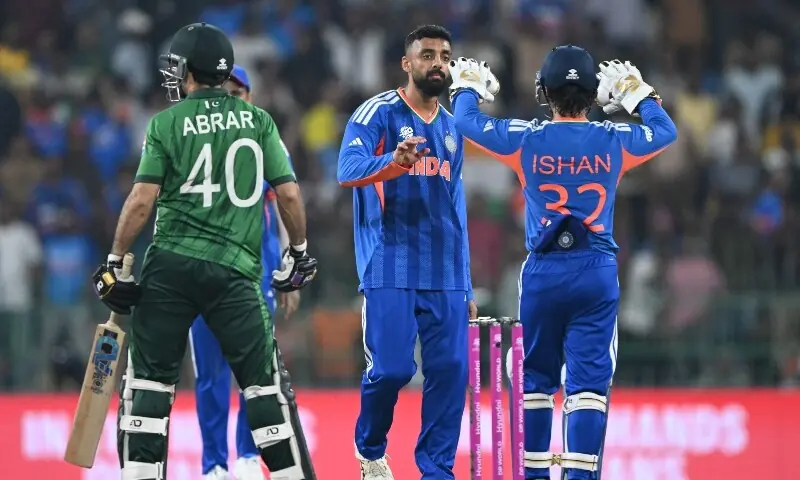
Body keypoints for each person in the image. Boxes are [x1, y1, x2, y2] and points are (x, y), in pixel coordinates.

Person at [91, 23, 318, 480]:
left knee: (150, 383)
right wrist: (298, 253)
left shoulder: (165, 123)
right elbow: (290, 196)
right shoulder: (259, 122)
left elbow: (141, 201)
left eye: (177, 66)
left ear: (190, 69)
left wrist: (115, 262)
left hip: (171, 270)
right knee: (263, 388)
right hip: (237, 273)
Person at [449, 51, 677, 480]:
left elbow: (465, 123)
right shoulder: (613, 140)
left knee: (535, 379)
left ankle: (534, 475)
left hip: (543, 273)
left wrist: (466, 88)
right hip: (596, 272)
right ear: (593, 96)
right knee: (588, 385)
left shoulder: (527, 139)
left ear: (543, 93)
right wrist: (637, 94)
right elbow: (665, 131)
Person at [337, 24, 478, 480]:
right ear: (407, 63)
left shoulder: (453, 127)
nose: (438, 63)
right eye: (428, 55)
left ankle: (435, 470)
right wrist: (393, 163)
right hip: (388, 262)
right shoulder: (376, 112)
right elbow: (348, 170)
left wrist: (468, 282)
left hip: (445, 270)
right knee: (394, 369)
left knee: (452, 372)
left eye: (444, 56)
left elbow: (456, 205)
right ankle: (371, 449)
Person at [188, 64, 301, 480]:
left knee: (253, 370)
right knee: (210, 375)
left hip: (256, 272)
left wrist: (290, 266)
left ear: (250, 98)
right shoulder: (193, 140)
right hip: (199, 273)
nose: (233, 100)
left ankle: (248, 457)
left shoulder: (264, 137)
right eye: (226, 93)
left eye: (240, 94)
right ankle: (214, 465)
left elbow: (286, 201)